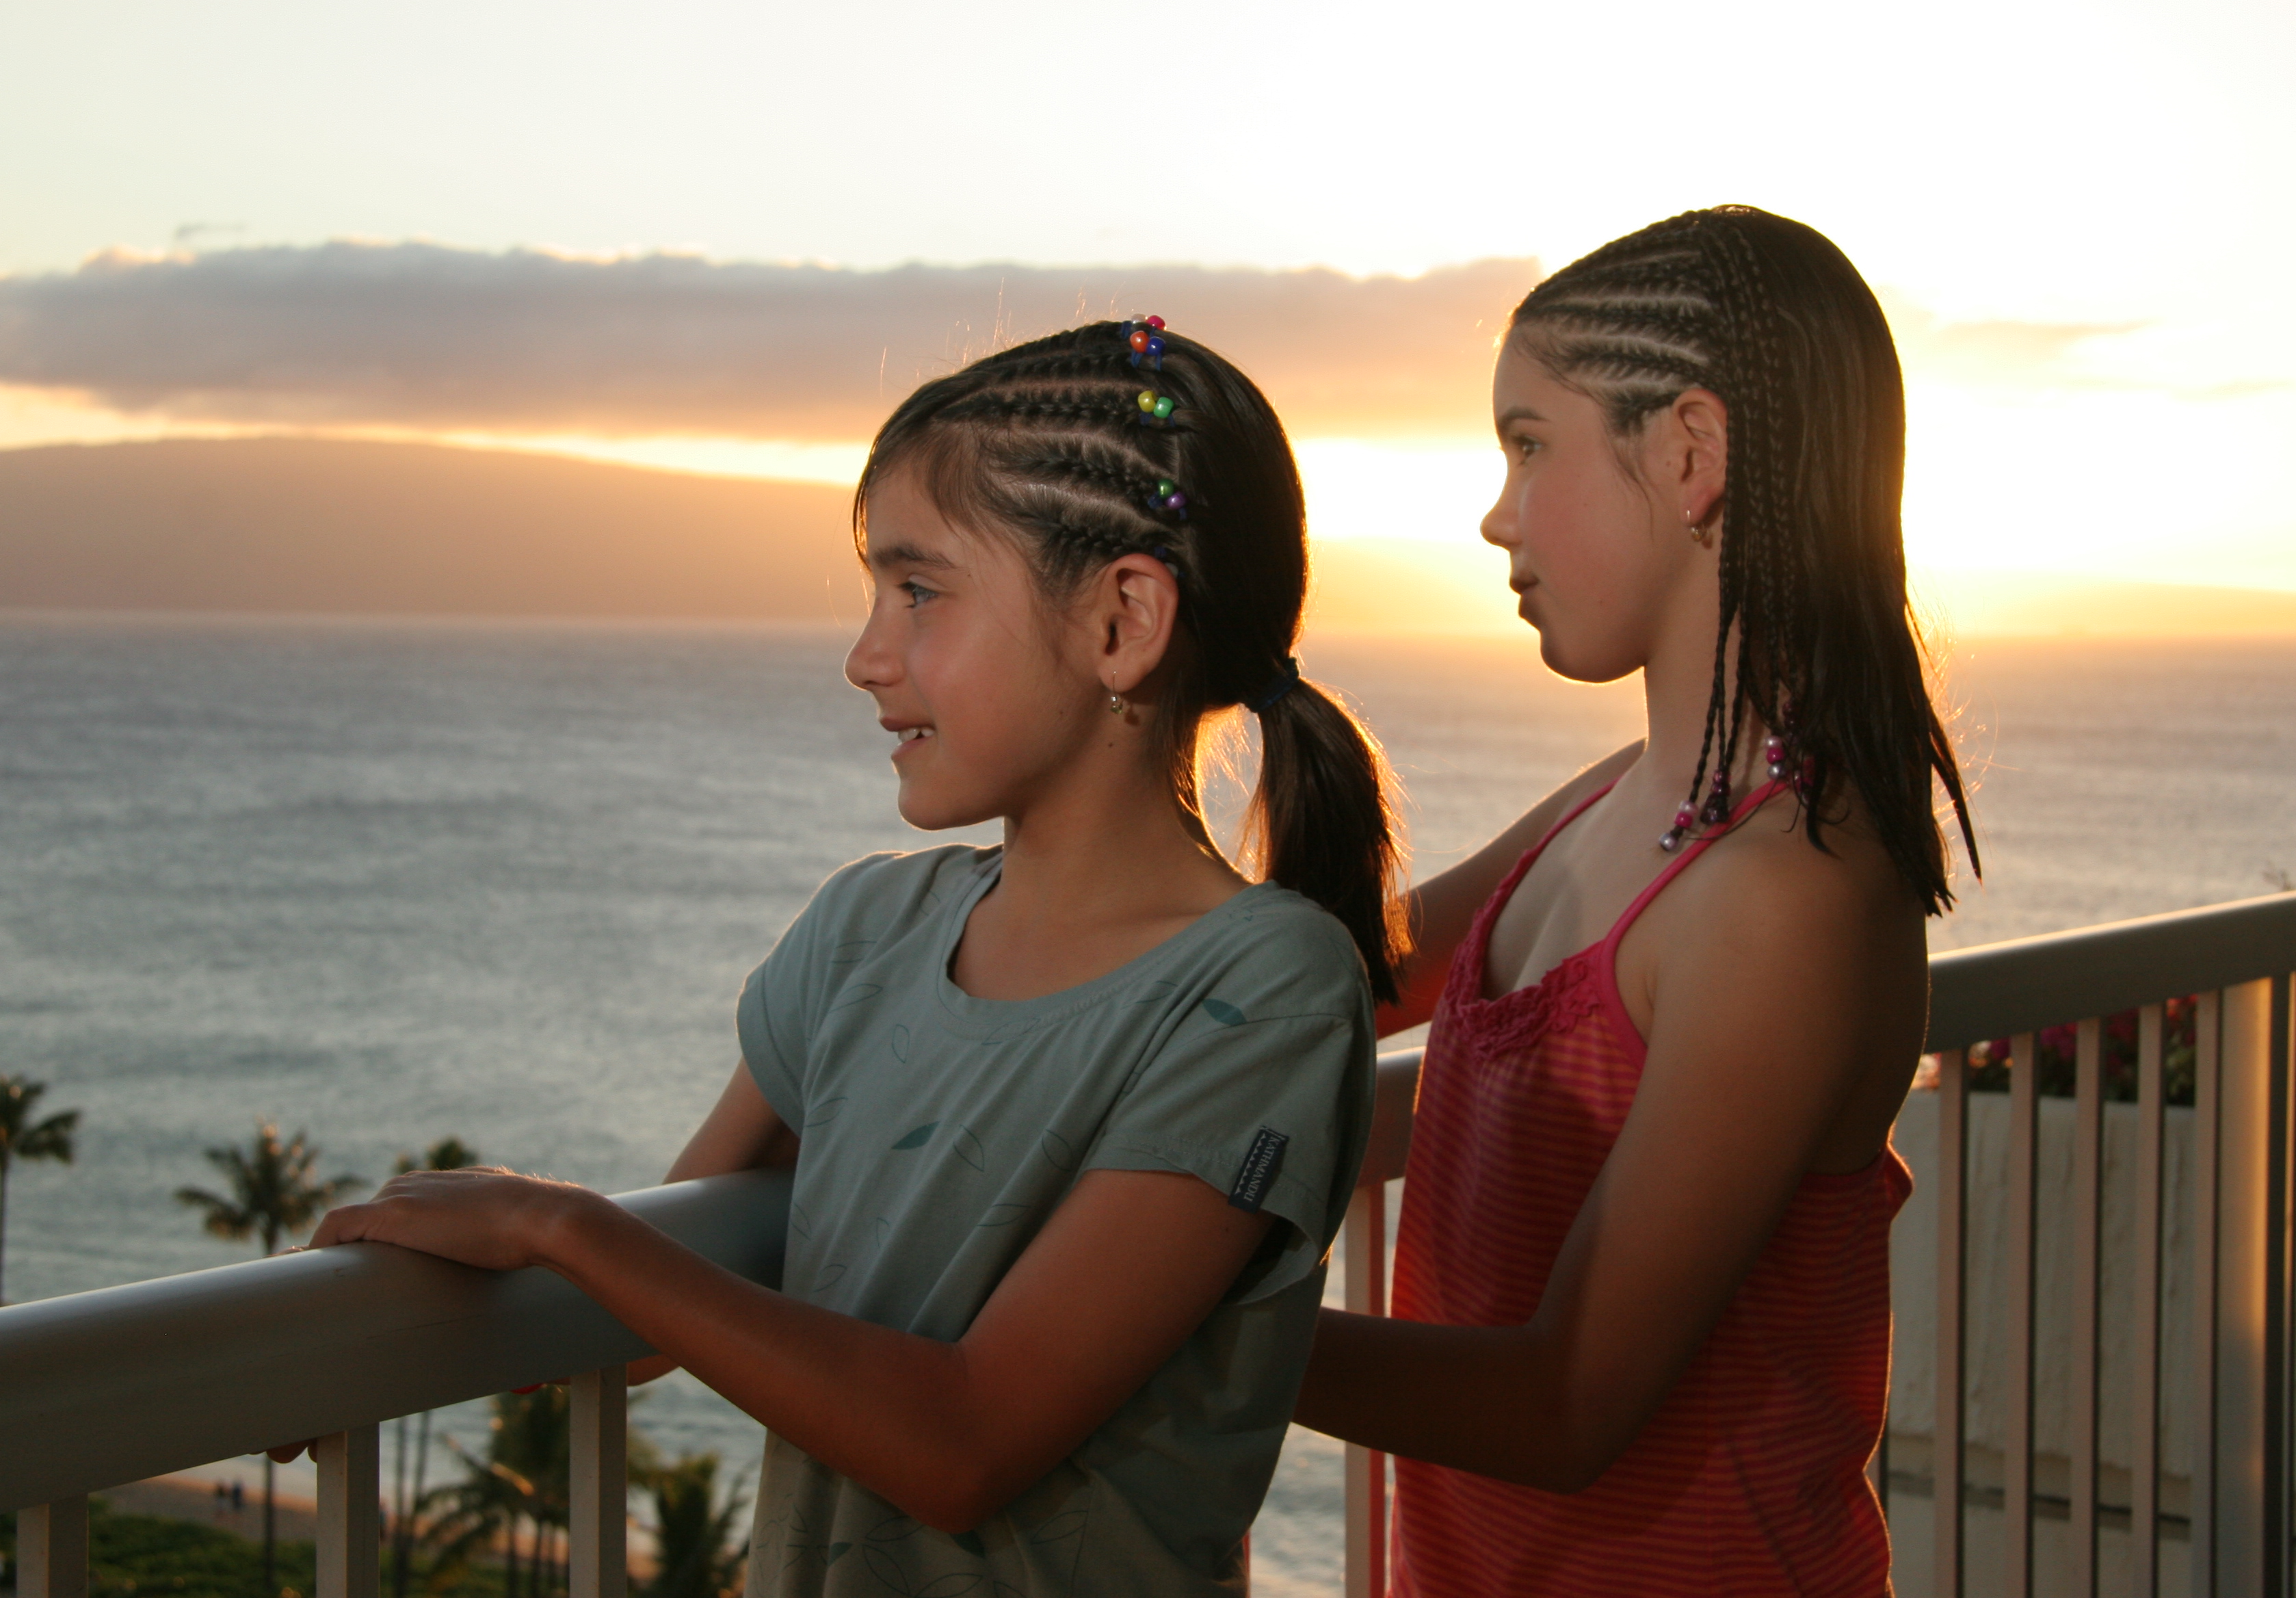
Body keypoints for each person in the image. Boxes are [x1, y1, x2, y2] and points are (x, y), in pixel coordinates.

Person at [309, 317, 1401, 1597]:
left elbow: (966, 1442)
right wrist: (332, 1336)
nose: (864, 656)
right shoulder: (866, 934)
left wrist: (556, 1222)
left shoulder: (1262, 991)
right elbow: (651, 1317)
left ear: (1123, 621)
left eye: (919, 591)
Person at [1293, 207, 1977, 1595]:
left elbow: (1563, 1406)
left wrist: (1172, 1324)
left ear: (1689, 454)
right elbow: (1332, 977)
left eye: (1529, 445)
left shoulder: (1784, 897)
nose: (1497, 514)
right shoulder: (1630, 797)